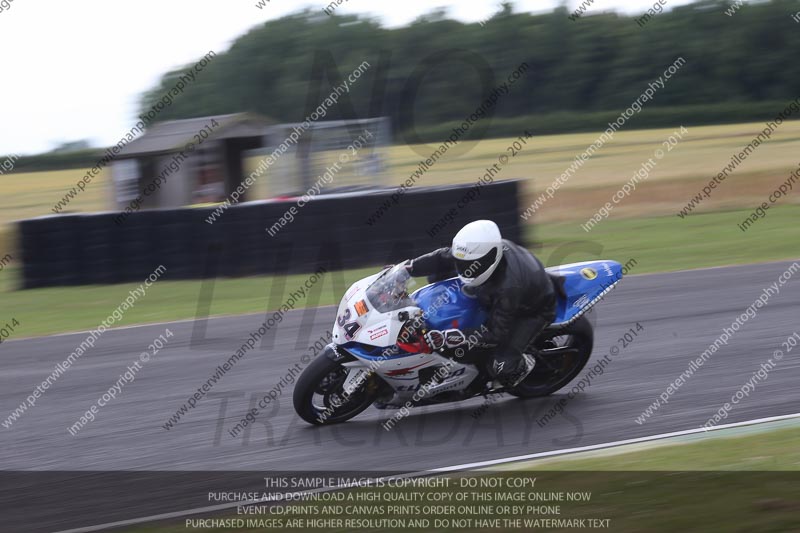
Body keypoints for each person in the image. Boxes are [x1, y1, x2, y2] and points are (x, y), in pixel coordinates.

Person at [405, 220, 556, 389]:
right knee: (435, 277)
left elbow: (496, 334)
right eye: (461, 263)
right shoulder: (476, 254)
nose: (464, 269)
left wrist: (453, 336)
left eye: (470, 265)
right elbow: (441, 258)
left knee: (501, 368)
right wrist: (408, 268)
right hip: (505, 290)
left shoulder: (508, 288)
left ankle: (523, 365)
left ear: (489, 258)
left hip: (533, 310)